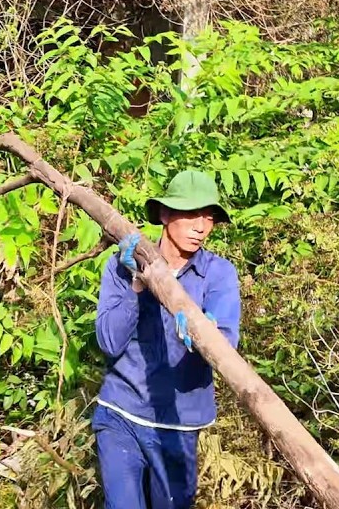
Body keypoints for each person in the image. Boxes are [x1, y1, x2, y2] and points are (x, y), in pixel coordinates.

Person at [94, 170, 241, 509]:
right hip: (121, 411)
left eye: (208, 217)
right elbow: (109, 342)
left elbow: (225, 344)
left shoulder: (218, 274)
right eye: (191, 214)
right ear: (164, 214)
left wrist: (200, 333)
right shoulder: (122, 264)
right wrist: (138, 284)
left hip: (180, 422)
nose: (201, 227)